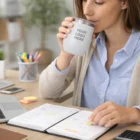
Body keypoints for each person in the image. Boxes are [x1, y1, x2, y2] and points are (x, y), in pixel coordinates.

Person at [39, 0, 140, 128]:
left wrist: (133, 114)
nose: (87, 11)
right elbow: (47, 92)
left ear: (124, 3)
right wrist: (65, 54)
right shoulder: (85, 44)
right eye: (84, 1)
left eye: (99, 2)